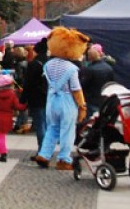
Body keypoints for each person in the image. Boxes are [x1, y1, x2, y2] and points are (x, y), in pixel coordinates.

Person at [32, 27, 90, 171]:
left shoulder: (48, 65)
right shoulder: (71, 68)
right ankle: (64, 159)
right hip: (67, 101)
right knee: (67, 131)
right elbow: (76, 89)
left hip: (52, 101)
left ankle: (44, 155)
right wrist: (82, 105)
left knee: (52, 128)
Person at [20, 37, 49, 151]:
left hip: (37, 97)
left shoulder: (34, 64)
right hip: (50, 96)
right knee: (47, 124)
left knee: (40, 124)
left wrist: (23, 99)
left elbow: (28, 83)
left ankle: (42, 150)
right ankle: (47, 150)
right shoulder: (50, 62)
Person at [79, 44, 115, 118]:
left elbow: (82, 85)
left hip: (91, 101)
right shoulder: (109, 68)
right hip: (103, 100)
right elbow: (112, 83)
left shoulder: (89, 70)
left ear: (89, 57)